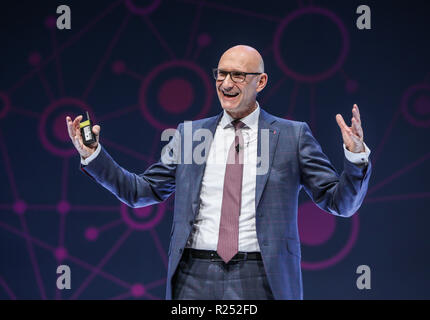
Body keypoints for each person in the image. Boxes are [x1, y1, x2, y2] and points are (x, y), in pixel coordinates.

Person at [66, 45, 372, 300]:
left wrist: (355, 157)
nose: (226, 84)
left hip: (262, 276)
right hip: (194, 277)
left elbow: (340, 203)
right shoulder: (188, 134)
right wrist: (93, 155)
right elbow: (140, 192)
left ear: (261, 82)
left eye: (238, 75)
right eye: (221, 74)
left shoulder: (293, 137)